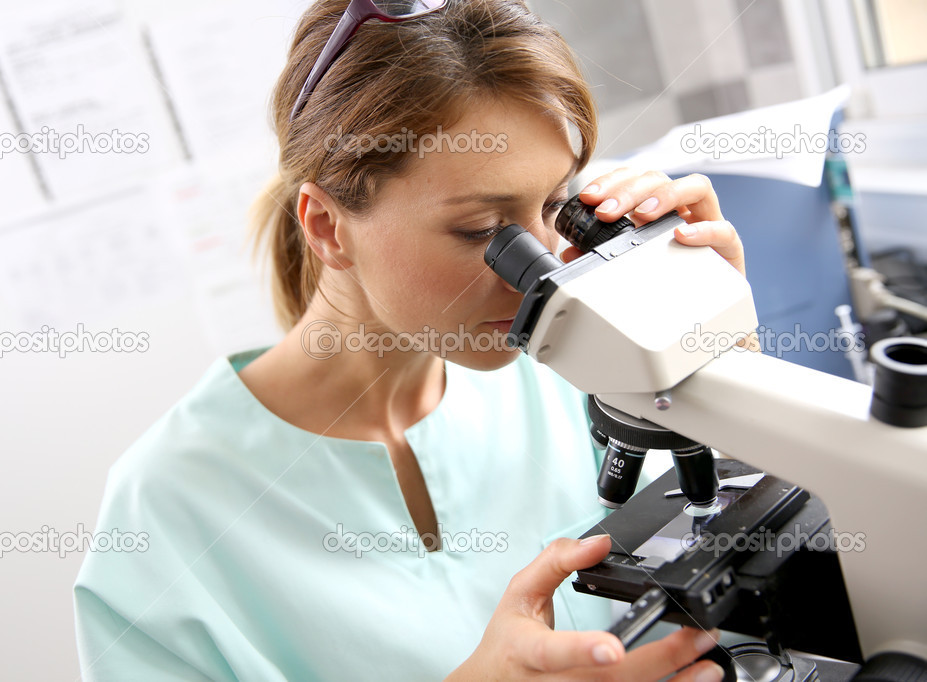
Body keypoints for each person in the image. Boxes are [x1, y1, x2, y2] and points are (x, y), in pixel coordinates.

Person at [74, 1, 747, 679]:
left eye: (552, 207)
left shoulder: (561, 369)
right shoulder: (164, 509)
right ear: (328, 227)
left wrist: (710, 347)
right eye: (483, 229)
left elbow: (720, 537)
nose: (543, 273)